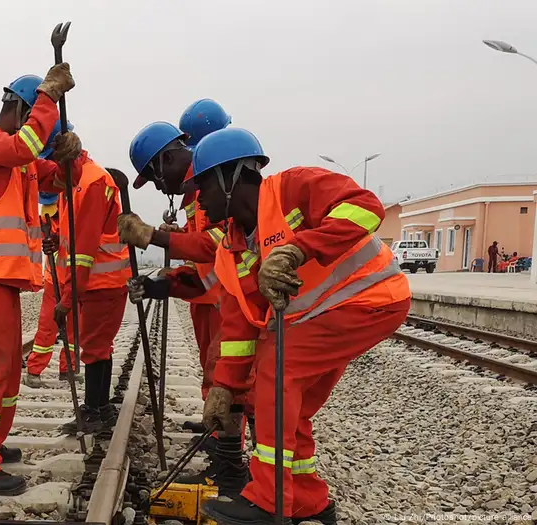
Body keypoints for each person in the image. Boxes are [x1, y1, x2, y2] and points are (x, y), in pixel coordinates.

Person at [170, 128, 411, 525]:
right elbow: (239, 328)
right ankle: (307, 501)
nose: (198, 201)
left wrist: (300, 247)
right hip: (327, 313)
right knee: (291, 405)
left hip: (369, 296)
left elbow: (366, 207)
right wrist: (224, 389)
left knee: (276, 374)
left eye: (202, 188)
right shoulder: (233, 245)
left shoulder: (294, 187)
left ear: (229, 178)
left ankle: (268, 500)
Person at [0, 63, 81, 495]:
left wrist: (71, 155)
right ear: (22, 109)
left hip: (4, 282)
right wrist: (49, 96)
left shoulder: (21, 163)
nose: (42, 141)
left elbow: (63, 180)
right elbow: (25, 147)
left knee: (8, 372)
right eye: (41, 126)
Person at [122, 113, 250, 496]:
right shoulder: (200, 190)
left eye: (155, 176)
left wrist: (156, 237)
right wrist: (168, 283)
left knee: (232, 376)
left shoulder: (208, 184)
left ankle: (231, 469)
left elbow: (213, 243)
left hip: (230, 298)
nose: (161, 187)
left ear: (166, 159)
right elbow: (210, 255)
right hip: (217, 292)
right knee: (220, 374)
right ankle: (225, 449)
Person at [45, 154, 132, 433]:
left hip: (103, 281)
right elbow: (76, 236)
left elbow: (83, 251)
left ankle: (93, 412)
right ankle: (102, 407)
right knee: (100, 347)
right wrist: (56, 241)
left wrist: (67, 299)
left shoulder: (92, 183)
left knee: (94, 349)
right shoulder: (76, 183)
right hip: (100, 281)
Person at [24, 191, 72, 386]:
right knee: (48, 326)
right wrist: (50, 238)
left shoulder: (75, 208)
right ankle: (34, 371)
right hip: (55, 279)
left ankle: (69, 369)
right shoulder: (47, 213)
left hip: (73, 277)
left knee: (74, 327)